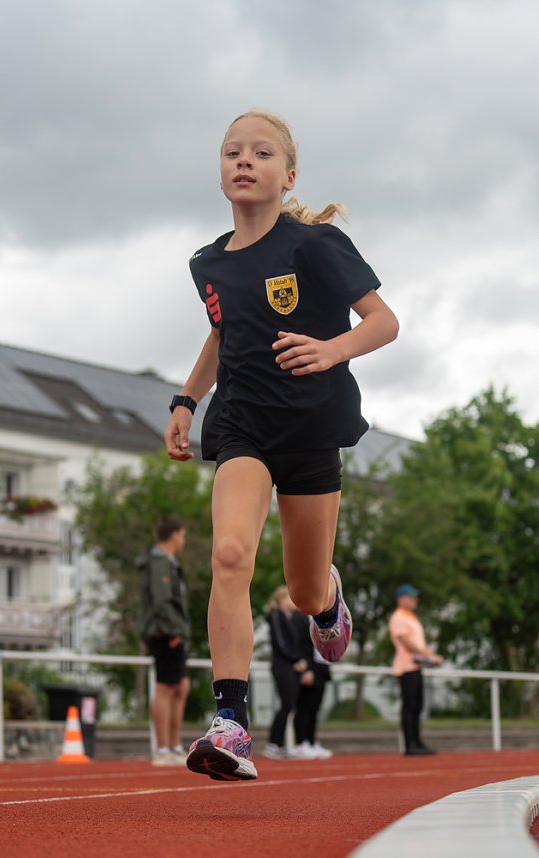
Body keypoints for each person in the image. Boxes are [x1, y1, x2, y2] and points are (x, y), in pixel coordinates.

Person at [165, 109, 399, 781]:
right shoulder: (207, 262)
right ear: (221, 171)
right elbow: (223, 334)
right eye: (232, 152)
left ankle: (327, 601)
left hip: (310, 427)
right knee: (232, 552)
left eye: (261, 153)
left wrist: (332, 350)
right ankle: (231, 724)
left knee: (300, 590)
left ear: (286, 174)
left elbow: (384, 322)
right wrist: (186, 401)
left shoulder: (316, 245)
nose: (244, 161)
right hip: (241, 423)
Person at [138, 516, 191, 766]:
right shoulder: (159, 563)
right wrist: (173, 632)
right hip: (164, 631)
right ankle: (162, 749)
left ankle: (174, 745)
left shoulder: (168, 562)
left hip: (174, 629)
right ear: (174, 535)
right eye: (182, 534)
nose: (184, 539)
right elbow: (161, 601)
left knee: (180, 686)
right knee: (166, 687)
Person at [388, 584, 443, 756]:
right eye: (411, 597)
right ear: (401, 599)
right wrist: (429, 655)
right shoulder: (398, 617)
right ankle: (409, 744)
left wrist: (428, 656)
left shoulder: (412, 617)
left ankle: (417, 741)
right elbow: (406, 642)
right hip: (407, 667)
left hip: (417, 666)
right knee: (409, 706)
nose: (414, 601)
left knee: (417, 706)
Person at [263, 586, 308, 760]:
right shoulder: (276, 616)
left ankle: (278, 744)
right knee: (286, 703)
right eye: (289, 598)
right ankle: (273, 744)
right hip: (282, 666)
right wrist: (296, 659)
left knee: (289, 704)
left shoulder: (291, 618)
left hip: (290, 666)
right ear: (280, 599)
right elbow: (282, 643)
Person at [292, 609, 333, 760]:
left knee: (315, 708)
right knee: (304, 707)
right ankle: (301, 743)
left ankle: (311, 740)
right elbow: (298, 644)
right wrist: (306, 669)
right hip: (309, 667)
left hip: (322, 666)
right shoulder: (300, 617)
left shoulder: (325, 616)